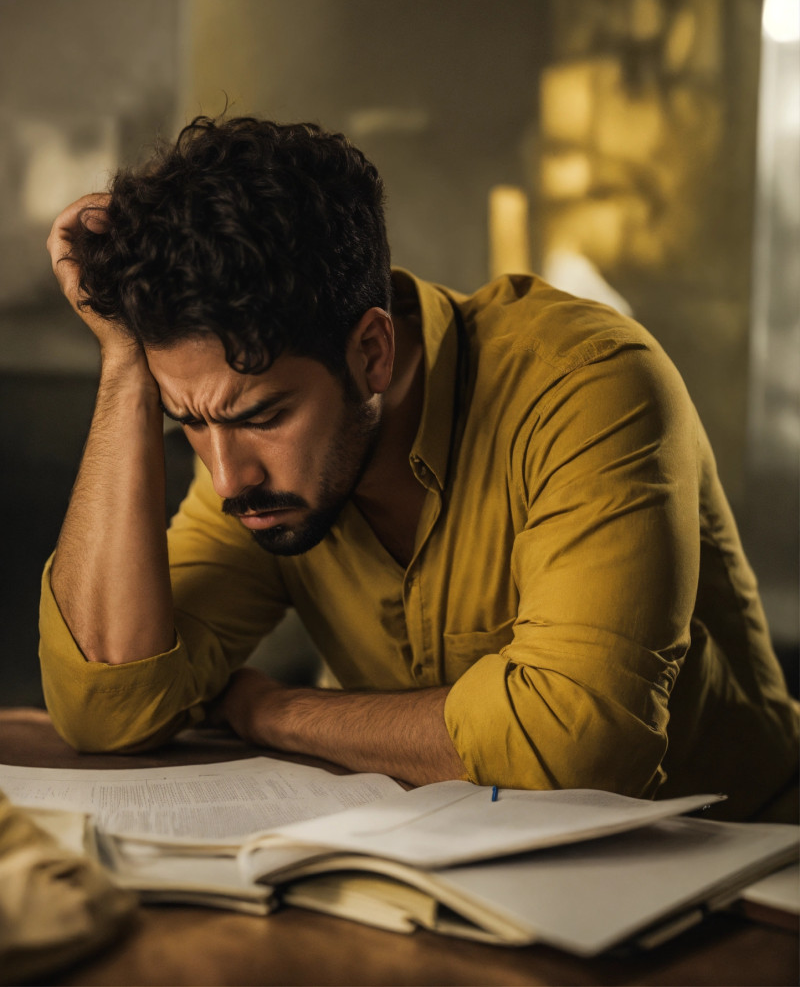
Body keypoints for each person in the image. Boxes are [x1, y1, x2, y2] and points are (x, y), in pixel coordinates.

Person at [39, 116, 798, 820]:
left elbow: (579, 749)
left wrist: (275, 710)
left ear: (371, 351)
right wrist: (124, 370)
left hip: (743, 874)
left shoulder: (585, 382)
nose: (228, 477)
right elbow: (107, 706)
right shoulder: (257, 477)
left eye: (263, 417)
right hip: (464, 881)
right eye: (192, 424)